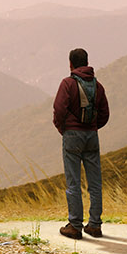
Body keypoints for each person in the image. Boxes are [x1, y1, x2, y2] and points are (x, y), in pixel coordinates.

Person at [51, 47, 109, 240]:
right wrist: (92, 127)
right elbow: (104, 113)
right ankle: (95, 225)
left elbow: (59, 109)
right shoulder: (97, 86)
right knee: (95, 182)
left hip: (72, 136)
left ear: (71, 64)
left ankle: (75, 226)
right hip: (92, 136)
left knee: (73, 182)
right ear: (87, 62)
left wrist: (64, 128)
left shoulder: (68, 83)